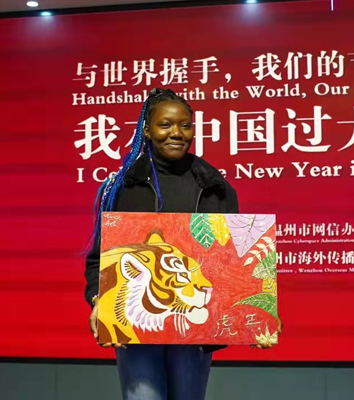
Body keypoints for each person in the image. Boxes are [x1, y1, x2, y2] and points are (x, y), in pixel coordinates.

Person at [83, 88, 272, 400]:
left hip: (195, 326)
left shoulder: (216, 188)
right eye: (165, 124)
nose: (176, 133)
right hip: (137, 326)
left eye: (185, 125)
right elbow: (99, 259)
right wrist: (97, 300)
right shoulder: (121, 188)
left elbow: (237, 264)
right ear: (147, 130)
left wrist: (258, 316)